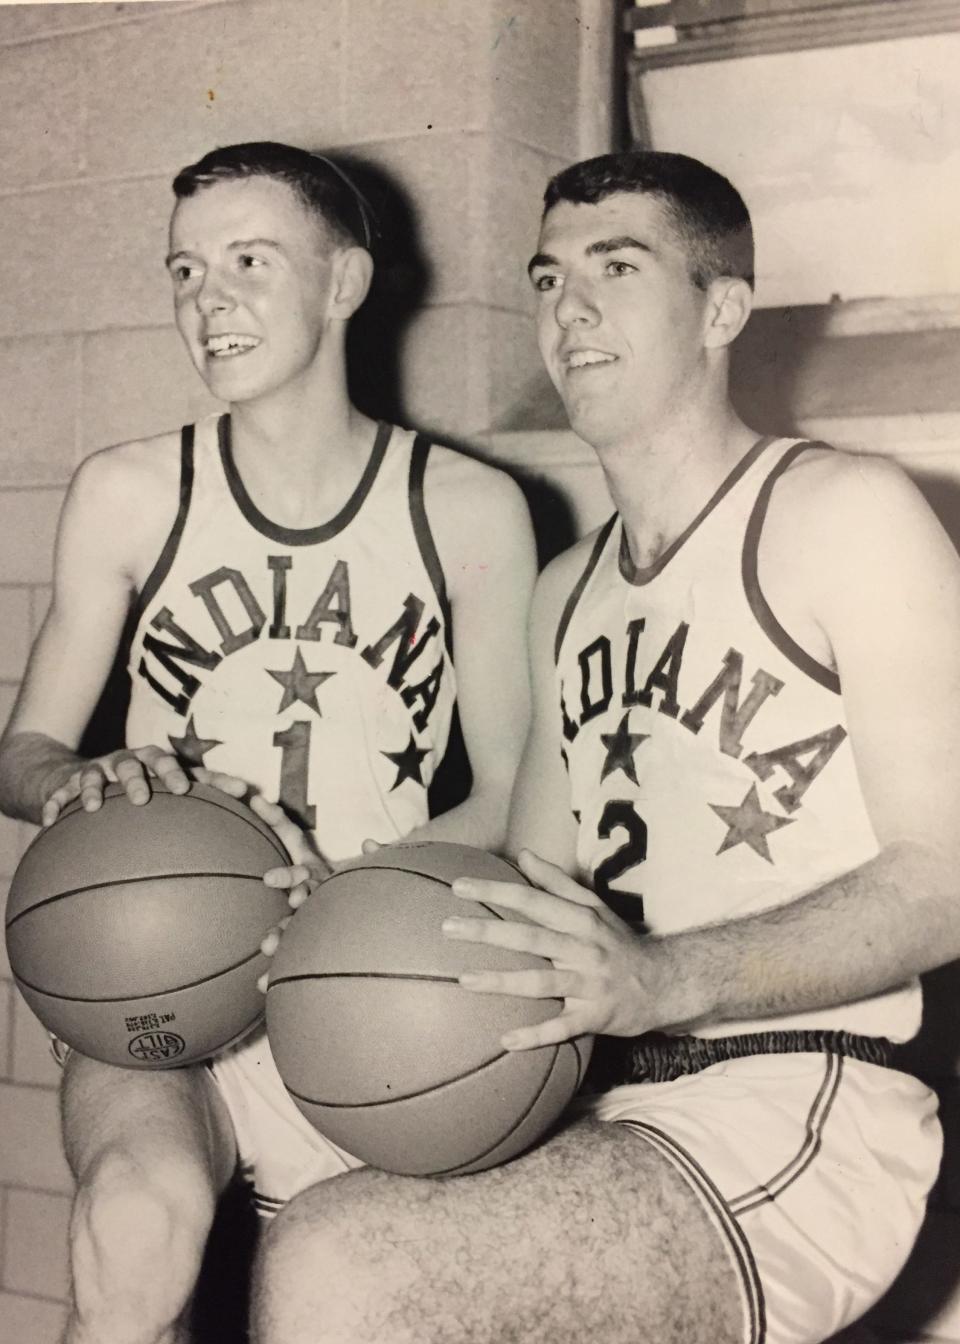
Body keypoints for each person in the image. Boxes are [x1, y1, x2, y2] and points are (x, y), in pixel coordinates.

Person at [247, 151, 960, 1344]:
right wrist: (342, 919)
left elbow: (949, 874)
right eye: (546, 276)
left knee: (339, 1264)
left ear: (721, 308)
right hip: (606, 1093)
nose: (566, 309)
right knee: (294, 1185)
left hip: (801, 1094)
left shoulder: (848, 514)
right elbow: (525, 892)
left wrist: (664, 977)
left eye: (616, 268)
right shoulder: (567, 591)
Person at [0, 141, 536, 1344]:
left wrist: (350, 897)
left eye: (249, 260)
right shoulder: (128, 491)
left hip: (368, 976)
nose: (208, 300)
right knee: (139, 1222)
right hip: (159, 973)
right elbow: (19, 749)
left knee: (350, 1300)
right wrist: (75, 778)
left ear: (345, 284)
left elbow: (512, 791)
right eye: (184, 271)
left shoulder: (468, 507)